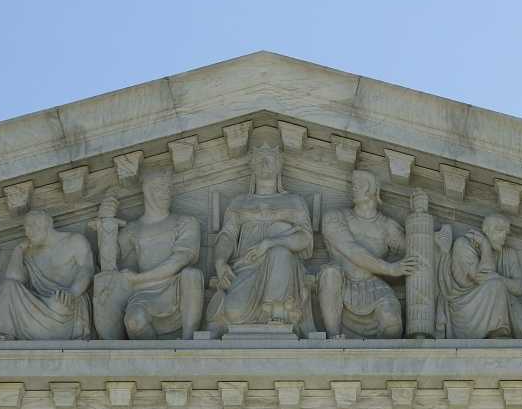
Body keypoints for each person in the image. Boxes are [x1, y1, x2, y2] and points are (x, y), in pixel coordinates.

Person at [205, 144, 314, 336]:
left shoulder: (294, 201)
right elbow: (227, 236)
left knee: (279, 253)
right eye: (259, 159)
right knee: (234, 311)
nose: (264, 163)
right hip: (246, 267)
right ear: (252, 166)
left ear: (280, 165)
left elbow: (305, 238)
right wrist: (220, 262)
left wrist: (270, 243)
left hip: (283, 269)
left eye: (270, 158)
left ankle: (277, 308)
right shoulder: (239, 202)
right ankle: (269, 310)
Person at [93, 167, 204, 340]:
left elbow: (180, 259)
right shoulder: (133, 230)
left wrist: (139, 278)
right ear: (147, 191)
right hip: (144, 294)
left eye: (169, 188)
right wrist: (106, 222)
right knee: (134, 322)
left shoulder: (185, 222)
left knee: (192, 274)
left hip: (176, 288)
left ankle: (188, 345)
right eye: (160, 188)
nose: (166, 193)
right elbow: (110, 267)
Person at [317, 170, 416, 338]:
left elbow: (415, 252)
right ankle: (334, 338)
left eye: (359, 184)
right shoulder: (334, 217)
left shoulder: (388, 227)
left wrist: (433, 237)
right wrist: (391, 269)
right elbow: (351, 249)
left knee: (392, 322)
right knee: (330, 273)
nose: (353, 188)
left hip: (373, 287)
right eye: (353, 185)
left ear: (372, 190)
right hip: (340, 285)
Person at [0, 210, 94, 341]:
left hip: (66, 303)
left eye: (32, 225)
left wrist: (72, 292)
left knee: (58, 304)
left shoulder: (74, 241)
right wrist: (18, 250)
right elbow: (13, 278)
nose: (28, 232)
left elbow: (87, 270)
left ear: (48, 224)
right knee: (8, 286)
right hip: (37, 304)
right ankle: (4, 334)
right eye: (26, 228)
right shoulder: (30, 253)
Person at [436, 214, 522, 338]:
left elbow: (520, 288)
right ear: (485, 231)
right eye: (499, 230)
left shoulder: (509, 254)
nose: (504, 236)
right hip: (466, 304)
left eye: (506, 232)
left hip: (502, 298)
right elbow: (481, 277)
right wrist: (485, 246)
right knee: (496, 286)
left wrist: (498, 278)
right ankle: (498, 332)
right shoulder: (463, 244)